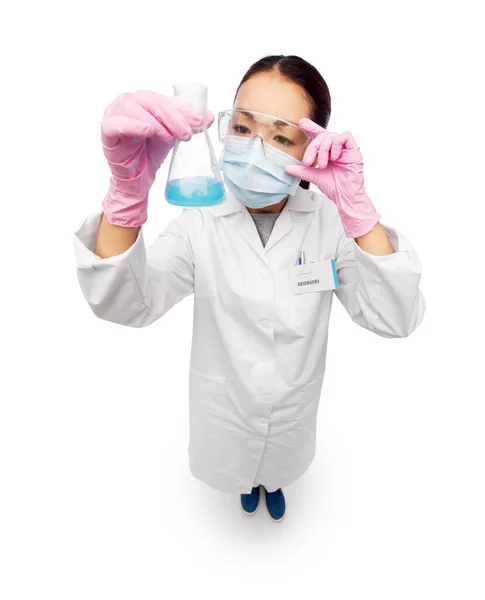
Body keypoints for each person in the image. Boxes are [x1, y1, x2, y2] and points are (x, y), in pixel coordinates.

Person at [73, 55, 426, 523]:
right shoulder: (200, 221)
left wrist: (360, 215)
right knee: (237, 461)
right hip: (225, 413)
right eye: (243, 128)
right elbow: (127, 303)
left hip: (292, 413)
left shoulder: (330, 224)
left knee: (279, 460)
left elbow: (395, 318)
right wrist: (125, 196)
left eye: (281, 137)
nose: (256, 149)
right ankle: (248, 484)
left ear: (311, 149)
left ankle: (273, 479)